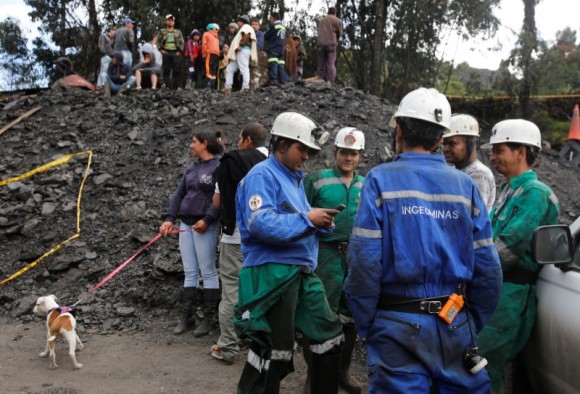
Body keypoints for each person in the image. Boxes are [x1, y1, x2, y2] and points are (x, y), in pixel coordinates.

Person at [344, 87, 502, 393]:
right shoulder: (465, 186)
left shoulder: (379, 179)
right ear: (440, 139)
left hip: (395, 323)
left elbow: (363, 261)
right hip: (453, 320)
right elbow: (489, 268)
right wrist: (470, 322)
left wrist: (368, 324)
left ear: (399, 130)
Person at [234, 112, 345, 393]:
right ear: (282, 145)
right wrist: (309, 219)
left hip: (300, 272)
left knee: (329, 335)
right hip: (273, 272)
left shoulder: (293, 179)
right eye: (302, 149)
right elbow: (259, 222)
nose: (306, 156)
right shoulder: (262, 175)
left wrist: (322, 223)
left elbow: (299, 220)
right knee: (273, 350)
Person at [477, 119, 560, 391]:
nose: (493, 156)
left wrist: (466, 267)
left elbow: (507, 249)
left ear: (521, 152)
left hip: (510, 295)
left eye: (499, 150)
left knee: (485, 365)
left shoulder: (535, 193)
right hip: (494, 288)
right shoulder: (508, 190)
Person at [304, 127, 366, 394]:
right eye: (344, 152)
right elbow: (301, 215)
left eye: (353, 153)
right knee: (319, 315)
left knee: (350, 317)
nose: (348, 158)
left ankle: (342, 371)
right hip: (325, 255)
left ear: (360, 156)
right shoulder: (317, 180)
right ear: (335, 153)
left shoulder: (367, 184)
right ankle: (313, 375)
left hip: (356, 258)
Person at [210, 123, 269, 365]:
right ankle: (262, 344)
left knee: (232, 291)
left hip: (235, 238)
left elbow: (217, 203)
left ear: (246, 140)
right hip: (268, 238)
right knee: (265, 290)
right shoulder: (278, 162)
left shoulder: (230, 162)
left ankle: (227, 347)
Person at [160, 130, 222, 338]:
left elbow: (220, 198)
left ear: (204, 144)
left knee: (208, 271)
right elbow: (179, 194)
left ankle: (208, 318)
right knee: (190, 271)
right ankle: (187, 316)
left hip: (205, 225)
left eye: (193, 142)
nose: (190, 145)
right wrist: (169, 218)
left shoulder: (219, 166)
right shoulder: (191, 169)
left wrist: (207, 220)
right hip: (186, 224)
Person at [443, 114, 496, 212]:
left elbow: (474, 216)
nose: (445, 149)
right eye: (444, 143)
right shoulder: (458, 171)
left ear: (470, 143)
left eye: (452, 143)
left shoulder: (479, 175)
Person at [224, 15, 257, 94]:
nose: (237, 23)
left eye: (238, 21)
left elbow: (246, 35)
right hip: (240, 52)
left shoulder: (246, 27)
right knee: (230, 69)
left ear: (242, 21)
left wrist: (241, 45)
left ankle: (245, 87)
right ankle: (228, 88)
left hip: (243, 50)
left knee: (244, 68)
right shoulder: (244, 28)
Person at [157, 14, 185, 89]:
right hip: (166, 52)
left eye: (172, 20)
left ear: (174, 22)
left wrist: (180, 51)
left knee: (177, 69)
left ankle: (177, 86)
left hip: (175, 52)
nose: (170, 22)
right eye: (168, 20)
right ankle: (168, 86)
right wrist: (160, 49)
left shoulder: (178, 32)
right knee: (166, 70)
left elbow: (182, 42)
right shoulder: (162, 31)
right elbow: (158, 41)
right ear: (165, 21)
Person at [316, 7, 342, 84]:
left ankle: (319, 80)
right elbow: (340, 33)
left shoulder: (322, 20)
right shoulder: (337, 20)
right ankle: (331, 82)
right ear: (335, 13)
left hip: (320, 44)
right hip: (331, 44)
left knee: (320, 64)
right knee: (330, 64)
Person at [264, 12, 287, 86]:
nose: (270, 20)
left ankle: (274, 80)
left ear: (274, 18)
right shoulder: (283, 27)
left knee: (273, 62)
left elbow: (266, 36)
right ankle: (282, 81)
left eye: (271, 18)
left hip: (274, 47)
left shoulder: (274, 26)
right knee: (280, 64)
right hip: (281, 48)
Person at [250, 18, 268, 90]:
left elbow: (259, 45)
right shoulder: (249, 33)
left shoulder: (260, 34)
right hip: (250, 53)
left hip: (257, 53)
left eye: (256, 24)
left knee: (257, 72)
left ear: (259, 26)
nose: (254, 26)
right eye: (253, 24)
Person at [202, 23, 221, 90]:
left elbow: (204, 44)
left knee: (208, 68)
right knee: (213, 70)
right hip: (216, 54)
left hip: (209, 53)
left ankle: (208, 85)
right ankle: (213, 86)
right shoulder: (216, 37)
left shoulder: (206, 34)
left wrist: (204, 54)